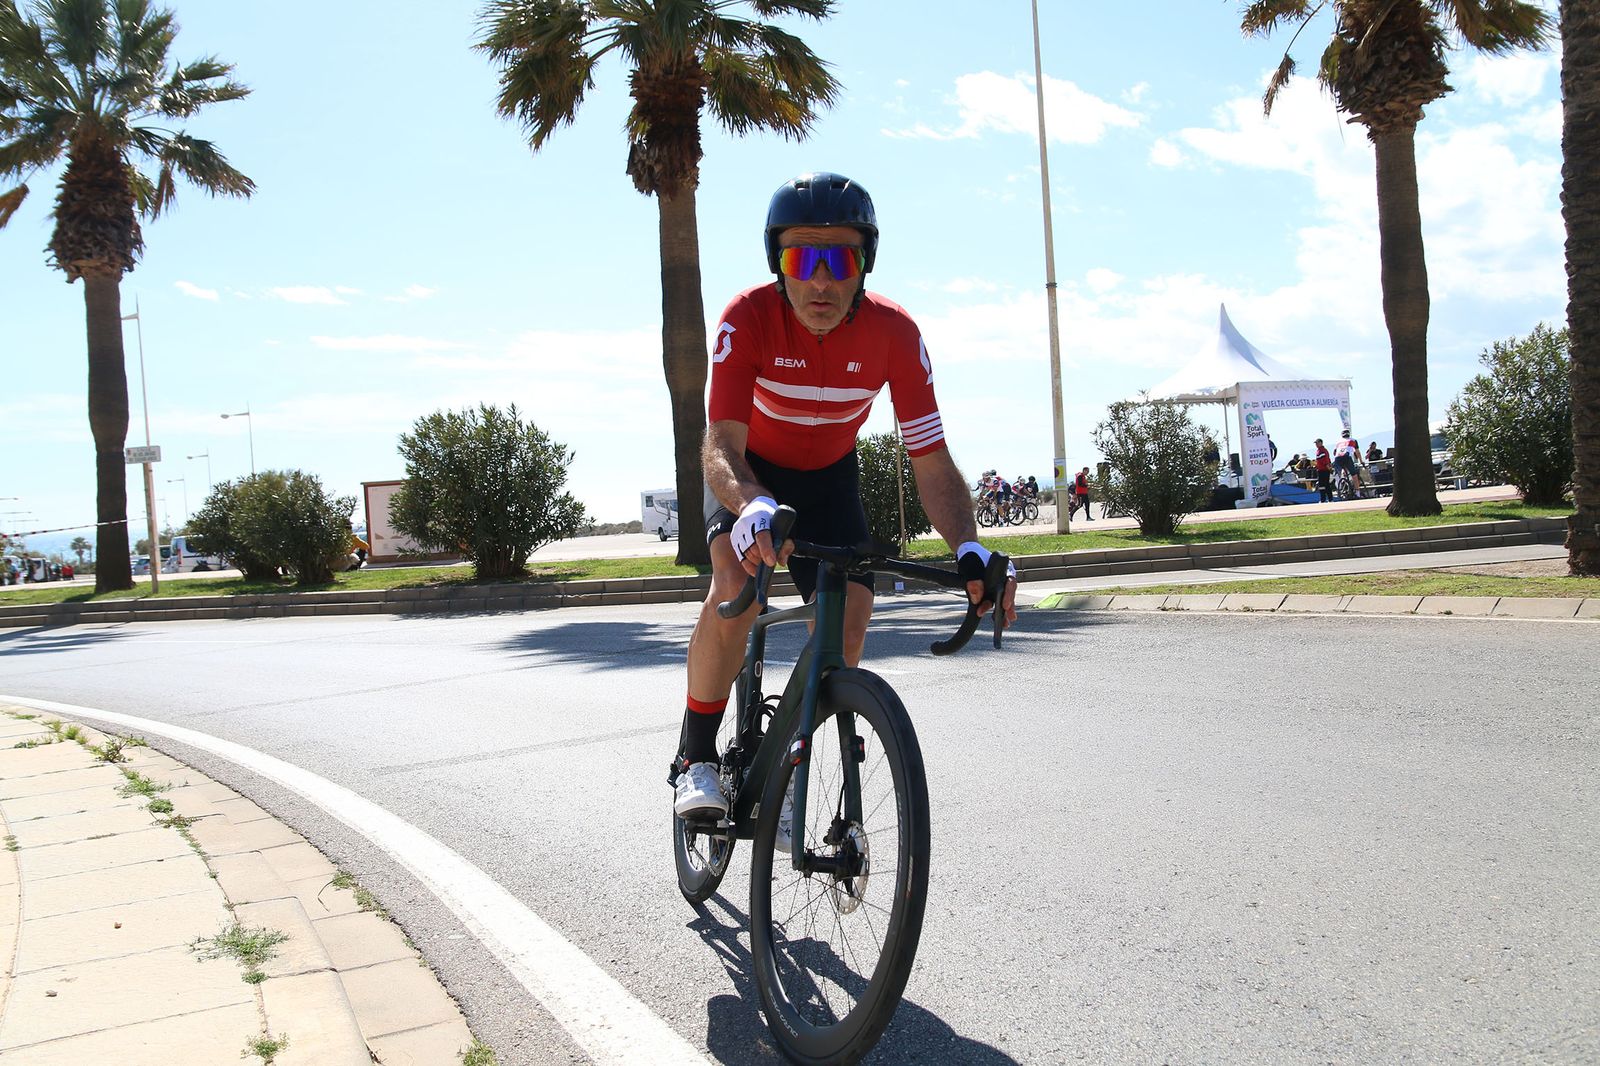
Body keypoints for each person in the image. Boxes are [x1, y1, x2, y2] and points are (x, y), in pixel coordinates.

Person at [673, 172, 1019, 822]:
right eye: (802, 259)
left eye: (841, 259)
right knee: (732, 583)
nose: (821, 281)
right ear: (778, 264)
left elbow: (932, 459)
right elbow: (719, 443)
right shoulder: (745, 319)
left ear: (865, 265)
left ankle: (781, 757)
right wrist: (749, 505)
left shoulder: (894, 334)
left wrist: (969, 547)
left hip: (830, 478)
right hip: (749, 475)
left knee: (852, 616)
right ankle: (696, 757)